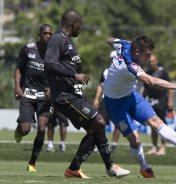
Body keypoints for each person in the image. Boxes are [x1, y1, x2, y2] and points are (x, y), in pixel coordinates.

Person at [44, 9, 130, 179]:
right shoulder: (57, 39)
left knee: (96, 128)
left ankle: (74, 169)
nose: (80, 28)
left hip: (73, 94)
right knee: (98, 121)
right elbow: (49, 64)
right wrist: (74, 75)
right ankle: (111, 166)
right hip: (64, 96)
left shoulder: (66, 40)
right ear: (73, 23)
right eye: (80, 25)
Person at [103, 35, 176, 178]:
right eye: (147, 54)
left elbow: (109, 39)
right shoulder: (130, 64)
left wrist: (119, 42)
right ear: (137, 51)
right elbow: (152, 81)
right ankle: (144, 168)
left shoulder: (124, 44)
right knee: (135, 140)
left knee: (157, 122)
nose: (150, 58)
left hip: (131, 97)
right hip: (114, 103)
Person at [14, 24, 53, 172]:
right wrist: (17, 86)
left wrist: (52, 88)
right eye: (45, 33)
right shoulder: (28, 48)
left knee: (42, 129)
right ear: (39, 34)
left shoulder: (55, 53)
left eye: (50, 34)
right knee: (25, 130)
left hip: (45, 96)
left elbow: (58, 73)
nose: (47, 36)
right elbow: (18, 68)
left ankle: (32, 163)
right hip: (27, 94)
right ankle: (20, 127)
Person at [143, 54, 174, 156]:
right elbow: (146, 89)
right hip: (151, 100)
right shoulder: (146, 73)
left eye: (152, 61)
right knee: (152, 124)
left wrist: (170, 100)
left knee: (161, 124)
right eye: (149, 62)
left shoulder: (162, 72)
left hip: (161, 100)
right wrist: (142, 100)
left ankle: (163, 147)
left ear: (156, 61)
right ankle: (154, 147)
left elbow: (169, 86)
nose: (151, 63)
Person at [93, 51, 121, 153]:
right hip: (106, 100)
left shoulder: (123, 70)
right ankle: (99, 144)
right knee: (100, 122)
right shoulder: (105, 71)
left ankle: (114, 144)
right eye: (112, 58)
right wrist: (96, 98)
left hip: (119, 100)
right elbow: (100, 85)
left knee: (119, 123)